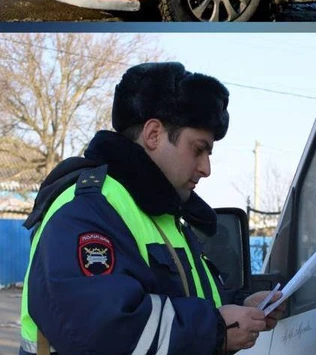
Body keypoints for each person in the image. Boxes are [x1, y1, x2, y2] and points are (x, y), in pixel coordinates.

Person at [19, 62, 286, 355]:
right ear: (154, 134)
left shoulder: (161, 212)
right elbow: (102, 332)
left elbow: (183, 296)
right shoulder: (88, 208)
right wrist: (215, 329)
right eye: (198, 149)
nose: (206, 168)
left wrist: (240, 305)